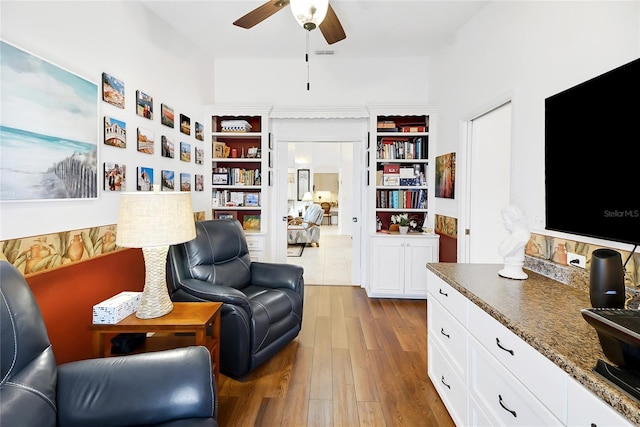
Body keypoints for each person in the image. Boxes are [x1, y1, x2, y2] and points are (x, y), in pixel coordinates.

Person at [498, 205, 530, 280]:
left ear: (513, 219)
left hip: (515, 270)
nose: (503, 222)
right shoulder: (512, 236)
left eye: (505, 220)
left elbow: (505, 250)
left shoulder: (523, 236)